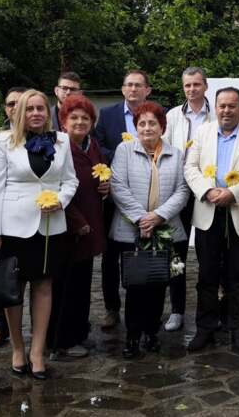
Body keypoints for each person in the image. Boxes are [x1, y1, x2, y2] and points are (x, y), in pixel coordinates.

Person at [0, 89, 79, 380]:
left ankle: (37, 351)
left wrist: (61, 200)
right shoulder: (3, 142)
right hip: (13, 226)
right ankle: (17, 347)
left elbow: (71, 180)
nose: (36, 113)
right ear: (19, 112)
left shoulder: (61, 141)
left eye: (41, 108)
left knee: (44, 286)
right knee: (14, 290)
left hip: (50, 225)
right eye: (30, 109)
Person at [184, 87, 239, 352]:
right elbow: (191, 167)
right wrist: (208, 191)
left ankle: (238, 328)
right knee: (207, 274)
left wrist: (232, 193)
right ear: (216, 106)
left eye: (232, 106)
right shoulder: (202, 132)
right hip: (209, 211)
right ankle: (205, 328)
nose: (226, 110)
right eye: (222, 105)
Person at [108, 102, 190, 359]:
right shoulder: (124, 150)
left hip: (166, 230)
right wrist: (142, 218)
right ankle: (132, 336)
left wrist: (158, 216)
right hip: (132, 230)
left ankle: (151, 334)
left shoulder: (176, 154)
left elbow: (183, 190)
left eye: (152, 123)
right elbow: (117, 186)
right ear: (135, 126)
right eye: (141, 123)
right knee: (135, 285)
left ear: (162, 126)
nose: (146, 128)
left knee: (158, 283)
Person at [46, 95, 108, 360]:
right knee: (64, 286)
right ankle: (60, 340)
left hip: (91, 222)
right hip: (67, 226)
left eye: (86, 118)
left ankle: (79, 333)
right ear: (63, 121)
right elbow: (53, 188)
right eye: (74, 118)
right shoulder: (57, 146)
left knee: (82, 283)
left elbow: (96, 176)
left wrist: (106, 188)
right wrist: (76, 221)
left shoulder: (92, 145)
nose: (80, 122)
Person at [93, 69, 154, 330]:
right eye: (129, 85)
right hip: (112, 194)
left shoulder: (154, 115)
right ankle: (111, 308)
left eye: (138, 85)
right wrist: (123, 152)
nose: (133, 89)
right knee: (110, 256)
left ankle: (139, 307)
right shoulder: (108, 115)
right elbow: (98, 145)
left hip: (146, 194)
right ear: (122, 89)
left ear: (147, 90)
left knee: (141, 253)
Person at [162, 67, 213, 333]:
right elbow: (166, 151)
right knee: (176, 254)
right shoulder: (172, 116)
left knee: (208, 254)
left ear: (205, 86)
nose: (191, 90)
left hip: (208, 192)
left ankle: (211, 309)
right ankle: (177, 310)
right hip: (179, 191)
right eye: (187, 86)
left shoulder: (216, 115)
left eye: (196, 85)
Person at [0, 87, 26, 350]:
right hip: (2, 215)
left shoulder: (42, 136)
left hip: (33, 217)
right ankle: (0, 327)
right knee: (1, 275)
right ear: (5, 107)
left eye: (21, 103)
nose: (15, 108)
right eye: (11, 103)